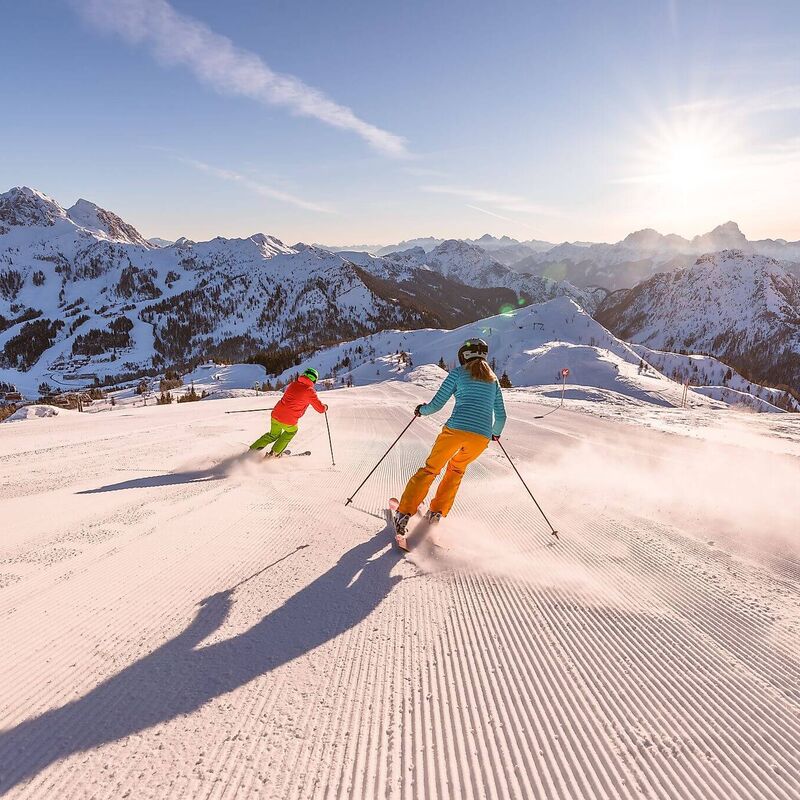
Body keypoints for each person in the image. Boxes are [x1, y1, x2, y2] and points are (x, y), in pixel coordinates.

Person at [394, 338, 506, 538]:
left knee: (430, 470)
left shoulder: (458, 373)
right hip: (480, 438)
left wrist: (422, 410)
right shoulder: (493, 380)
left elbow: (437, 404)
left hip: (456, 431)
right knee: (456, 470)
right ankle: (436, 513)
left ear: (464, 355)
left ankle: (404, 513)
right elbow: (501, 416)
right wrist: (494, 433)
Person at [249, 367, 327, 458]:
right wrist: (325, 407)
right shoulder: (310, 391)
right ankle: (274, 453)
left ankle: (252, 450)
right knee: (291, 431)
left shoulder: (293, 384)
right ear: (314, 380)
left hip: (276, 414)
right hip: (289, 420)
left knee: (273, 435)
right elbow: (320, 409)